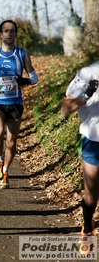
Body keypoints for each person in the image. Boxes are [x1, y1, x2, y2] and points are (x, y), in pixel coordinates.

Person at [0, 20, 38, 189]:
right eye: (6, 31)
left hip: (15, 103)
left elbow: (35, 78)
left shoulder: (22, 55)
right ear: (0, 35)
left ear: (15, 34)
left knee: (11, 141)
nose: (9, 34)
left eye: (12, 31)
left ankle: (6, 172)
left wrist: (24, 80)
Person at [60, 62, 99, 255]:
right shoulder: (87, 73)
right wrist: (86, 95)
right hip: (94, 139)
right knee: (91, 196)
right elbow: (65, 109)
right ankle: (87, 226)